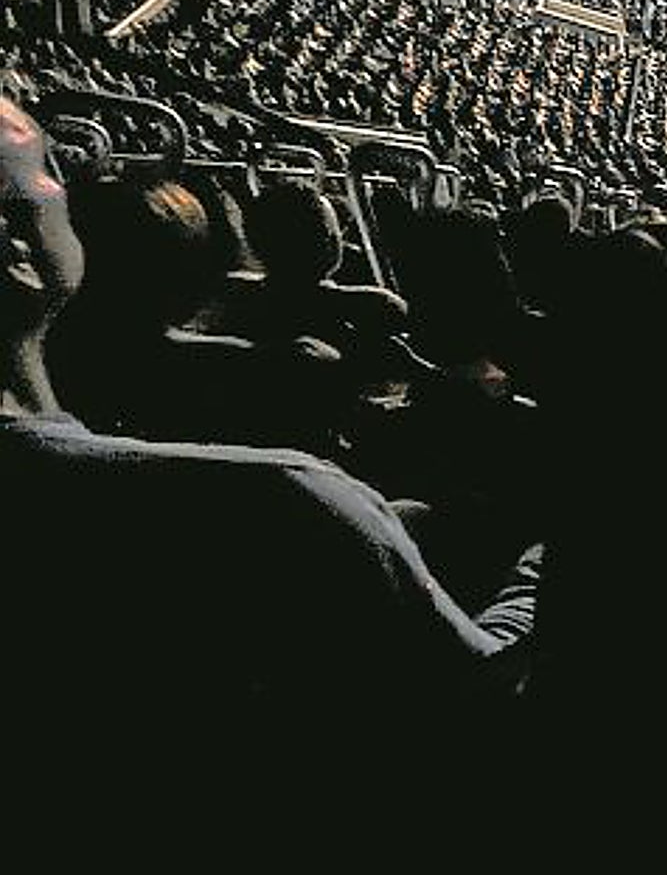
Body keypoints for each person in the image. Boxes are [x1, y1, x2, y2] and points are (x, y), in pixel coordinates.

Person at [0, 97, 537, 792]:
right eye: (48, 169)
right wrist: (548, 568)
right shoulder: (287, 499)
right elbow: (490, 705)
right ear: (15, 245)